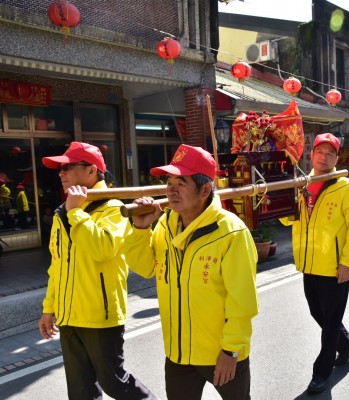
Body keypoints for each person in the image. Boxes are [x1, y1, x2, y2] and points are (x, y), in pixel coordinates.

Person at [126, 144, 259, 400]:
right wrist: (140, 230)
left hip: (220, 352)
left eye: (182, 182)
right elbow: (145, 268)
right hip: (178, 353)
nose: (171, 189)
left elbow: (243, 301)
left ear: (205, 189)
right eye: (169, 181)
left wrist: (231, 351)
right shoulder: (165, 224)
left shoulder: (231, 232)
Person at [38, 142, 156, 400]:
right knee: (80, 391)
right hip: (70, 316)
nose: (61, 173)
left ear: (91, 171)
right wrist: (49, 308)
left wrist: (76, 213)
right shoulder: (64, 214)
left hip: (100, 316)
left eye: (68, 167)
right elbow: (56, 267)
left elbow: (102, 249)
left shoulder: (113, 208)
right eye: (60, 168)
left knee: (116, 383)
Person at [280, 133, 349, 395]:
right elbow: (288, 221)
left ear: (337, 158)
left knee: (330, 323)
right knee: (318, 313)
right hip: (309, 264)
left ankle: (321, 372)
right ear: (311, 154)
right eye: (320, 151)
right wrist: (284, 202)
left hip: (334, 267)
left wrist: (347, 262)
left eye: (330, 153)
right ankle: (348, 342)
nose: (324, 157)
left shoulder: (345, 186)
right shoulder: (302, 184)